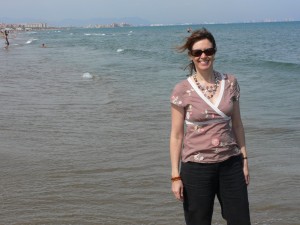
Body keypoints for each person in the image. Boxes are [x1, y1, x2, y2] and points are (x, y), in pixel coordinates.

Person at [169, 28, 251, 225]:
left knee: (240, 220)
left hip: (231, 163)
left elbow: (237, 125)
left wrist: (245, 159)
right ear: (191, 56)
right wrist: (175, 176)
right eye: (198, 52)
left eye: (208, 51)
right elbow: (176, 135)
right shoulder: (182, 89)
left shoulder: (230, 82)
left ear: (214, 52)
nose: (203, 56)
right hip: (196, 168)